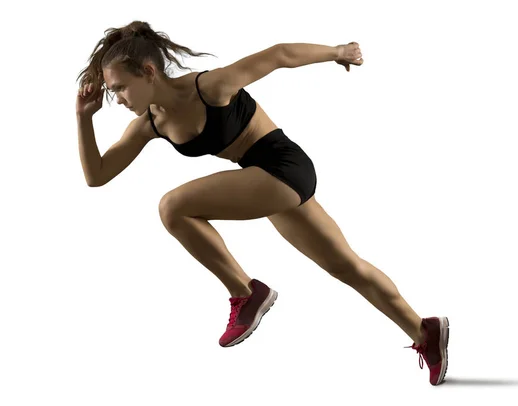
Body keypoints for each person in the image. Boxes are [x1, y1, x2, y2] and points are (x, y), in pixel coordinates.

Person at [75, 20, 449, 385]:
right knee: (347, 266)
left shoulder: (210, 86)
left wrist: (338, 52)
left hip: (284, 167)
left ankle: (245, 292)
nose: (118, 99)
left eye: (121, 88)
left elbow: (278, 55)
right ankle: (424, 330)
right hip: (261, 183)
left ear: (148, 71)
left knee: (172, 207)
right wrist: (83, 119)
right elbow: (98, 175)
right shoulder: (150, 124)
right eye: (113, 92)